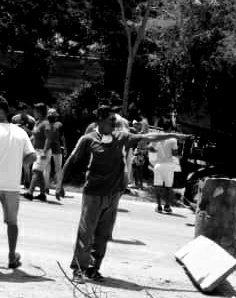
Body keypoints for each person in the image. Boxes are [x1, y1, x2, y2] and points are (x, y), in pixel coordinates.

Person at [57, 105, 191, 283]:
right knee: (86, 233)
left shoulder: (121, 137)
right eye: (111, 121)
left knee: (103, 235)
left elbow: (148, 137)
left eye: (115, 121)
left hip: (113, 194)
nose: (115, 124)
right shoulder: (87, 139)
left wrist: (172, 135)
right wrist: (59, 184)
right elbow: (72, 159)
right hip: (93, 194)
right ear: (100, 121)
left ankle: (93, 268)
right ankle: (78, 269)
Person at [0, 96, 36, 268]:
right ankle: (12, 257)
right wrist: (17, 161)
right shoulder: (20, 133)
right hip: (11, 185)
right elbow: (32, 156)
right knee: (12, 223)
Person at [149, 121, 180, 213]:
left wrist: (154, 157)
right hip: (169, 165)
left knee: (157, 186)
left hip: (158, 164)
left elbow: (151, 148)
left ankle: (159, 207)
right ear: (170, 128)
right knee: (168, 187)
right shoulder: (173, 139)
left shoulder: (157, 138)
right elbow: (175, 153)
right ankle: (167, 206)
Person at [24, 103, 52, 201]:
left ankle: (30, 193)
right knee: (39, 173)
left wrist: (44, 151)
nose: (33, 112)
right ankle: (42, 194)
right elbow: (34, 136)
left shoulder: (46, 123)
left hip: (43, 151)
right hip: (36, 151)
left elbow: (49, 139)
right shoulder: (37, 122)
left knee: (35, 171)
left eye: (35, 111)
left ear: (40, 112)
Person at [11, 102, 36, 188]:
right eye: (20, 111)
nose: (21, 112)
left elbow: (34, 133)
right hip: (16, 143)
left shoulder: (32, 120)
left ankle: (27, 182)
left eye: (23, 111)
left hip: (27, 143)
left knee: (26, 164)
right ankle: (14, 182)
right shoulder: (14, 119)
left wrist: (25, 130)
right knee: (15, 163)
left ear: (26, 110)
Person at [46, 109, 66, 197]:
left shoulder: (45, 124)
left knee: (48, 168)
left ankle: (47, 187)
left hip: (49, 148)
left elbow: (62, 137)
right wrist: (65, 148)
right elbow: (62, 137)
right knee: (57, 168)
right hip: (56, 147)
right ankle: (57, 188)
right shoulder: (59, 124)